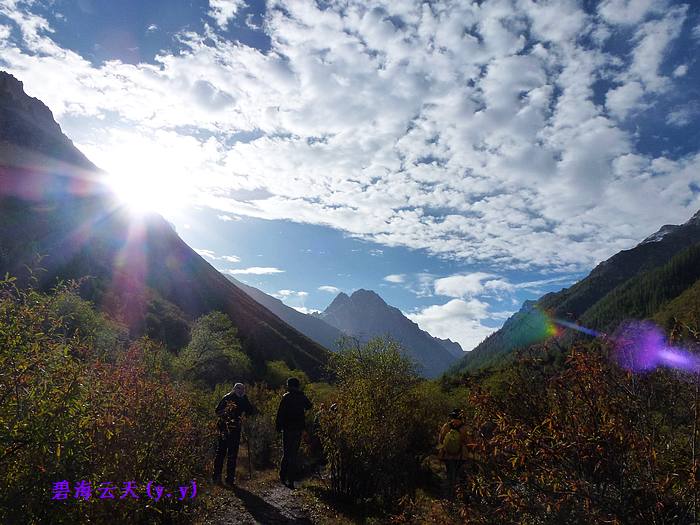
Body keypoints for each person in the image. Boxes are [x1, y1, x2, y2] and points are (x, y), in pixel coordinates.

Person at [213, 383, 257, 486]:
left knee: (232, 454)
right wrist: (226, 412)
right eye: (238, 388)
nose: (240, 390)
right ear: (234, 389)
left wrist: (246, 414)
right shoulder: (227, 397)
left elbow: (250, 411)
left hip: (236, 429)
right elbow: (217, 411)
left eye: (242, 389)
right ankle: (216, 476)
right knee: (221, 452)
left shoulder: (243, 398)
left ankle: (230, 479)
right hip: (224, 428)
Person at [275, 377, 312, 489]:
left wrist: (278, 426)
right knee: (293, 454)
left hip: (287, 429)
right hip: (298, 429)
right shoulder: (302, 396)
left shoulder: (286, 397)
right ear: (298, 385)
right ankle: (291, 479)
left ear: (289, 385)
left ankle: (282, 475)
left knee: (286, 452)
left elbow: (280, 413)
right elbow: (309, 406)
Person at [438, 408, 470, 499]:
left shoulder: (446, 426)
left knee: (450, 477)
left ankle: (449, 498)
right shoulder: (465, 428)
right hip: (461, 457)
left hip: (447, 456)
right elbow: (470, 443)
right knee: (462, 478)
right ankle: (463, 499)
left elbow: (440, 440)